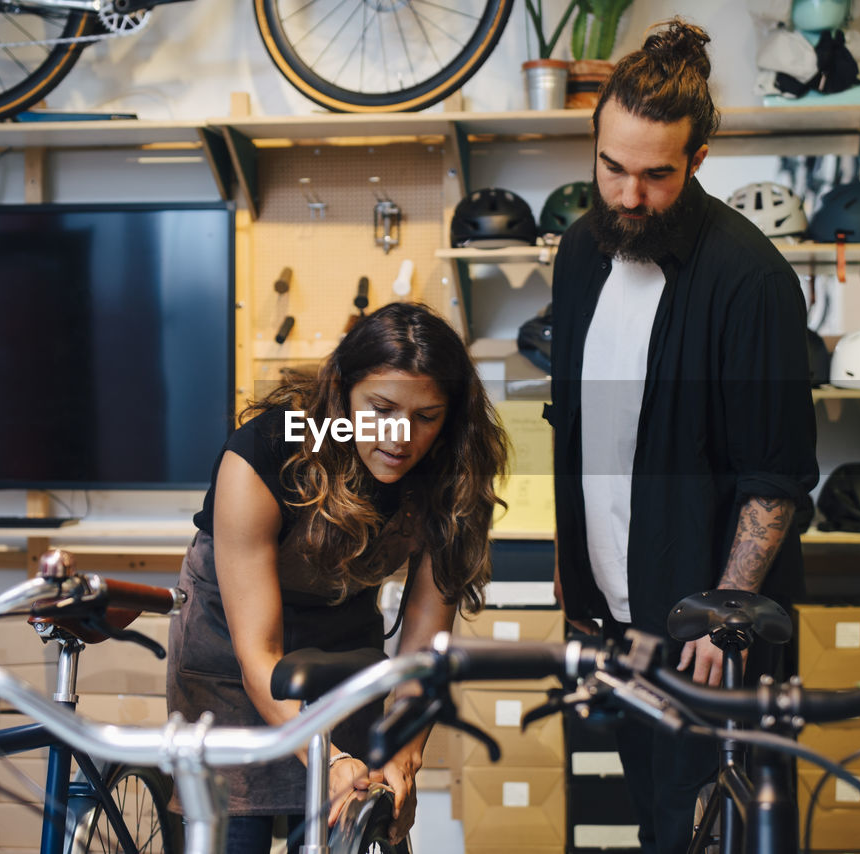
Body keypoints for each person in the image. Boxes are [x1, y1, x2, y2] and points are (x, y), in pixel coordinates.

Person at [543, 19, 819, 854]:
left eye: (656, 176)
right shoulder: (583, 252)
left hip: (711, 635)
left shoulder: (752, 281)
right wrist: (571, 570)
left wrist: (723, 614)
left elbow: (774, 477)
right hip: (620, 623)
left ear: (699, 161)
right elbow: (579, 425)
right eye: (612, 169)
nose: (629, 196)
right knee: (658, 827)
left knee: (722, 833)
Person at [167, 302, 508, 854]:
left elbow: (424, 646)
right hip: (232, 642)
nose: (402, 437)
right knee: (237, 832)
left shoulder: (455, 472)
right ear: (342, 394)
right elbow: (261, 657)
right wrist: (328, 759)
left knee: (362, 810)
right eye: (382, 408)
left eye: (427, 416)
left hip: (341, 637)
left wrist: (404, 749)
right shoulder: (263, 455)